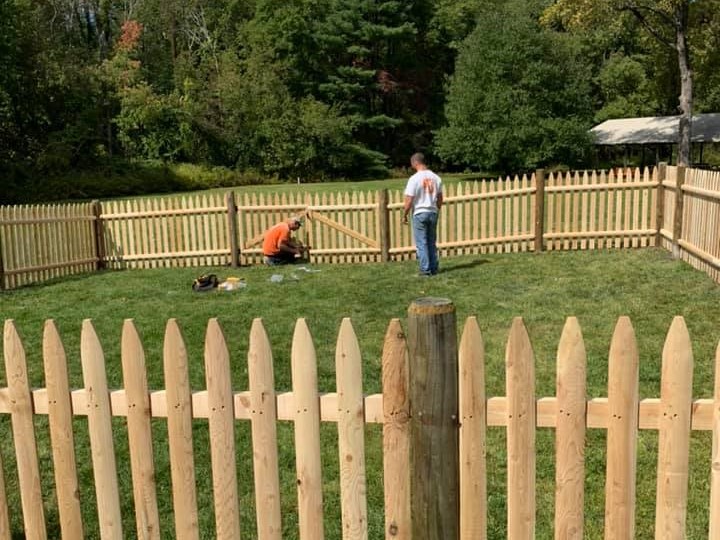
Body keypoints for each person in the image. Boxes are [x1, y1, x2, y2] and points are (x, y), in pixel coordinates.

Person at [403, 153, 443, 276]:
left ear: (415, 163)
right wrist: (437, 209)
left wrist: (404, 214)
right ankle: (434, 267)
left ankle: (425, 270)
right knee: (431, 241)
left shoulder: (414, 179)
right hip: (432, 211)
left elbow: (409, 199)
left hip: (420, 212)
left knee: (422, 242)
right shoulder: (436, 178)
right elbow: (440, 198)